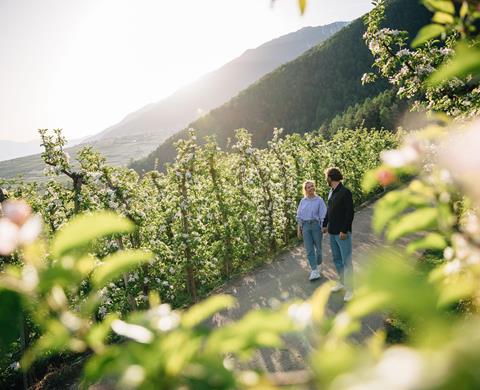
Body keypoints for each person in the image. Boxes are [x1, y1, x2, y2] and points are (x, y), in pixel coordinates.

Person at [322, 167, 355, 302]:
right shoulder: (331, 192)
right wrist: (325, 224)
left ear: (330, 178)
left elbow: (350, 213)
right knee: (337, 259)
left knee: (346, 261)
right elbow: (329, 210)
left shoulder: (345, 192)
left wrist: (344, 230)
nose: (326, 180)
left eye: (326, 177)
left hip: (342, 233)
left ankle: (350, 289)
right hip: (332, 232)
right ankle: (342, 282)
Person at [296, 180, 327, 281]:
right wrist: (299, 229)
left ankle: (318, 264)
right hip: (305, 226)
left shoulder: (319, 200)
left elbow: (323, 215)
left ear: (314, 188)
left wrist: (324, 226)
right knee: (309, 250)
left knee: (318, 249)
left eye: (312, 186)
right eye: (308, 187)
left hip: (316, 226)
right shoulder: (303, 201)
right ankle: (314, 270)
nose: (311, 188)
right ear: (305, 190)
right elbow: (299, 216)